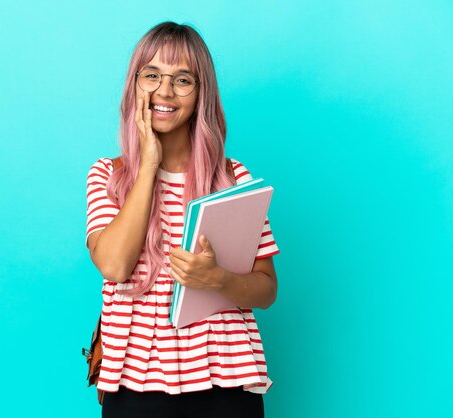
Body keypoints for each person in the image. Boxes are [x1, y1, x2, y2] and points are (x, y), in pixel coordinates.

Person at [85, 21, 280, 418]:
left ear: (200, 94)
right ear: (134, 84)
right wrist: (149, 165)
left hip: (226, 380)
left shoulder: (232, 178)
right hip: (135, 382)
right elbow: (114, 264)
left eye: (182, 79)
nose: (164, 91)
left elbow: (266, 290)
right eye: (152, 75)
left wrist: (217, 280)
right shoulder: (108, 174)